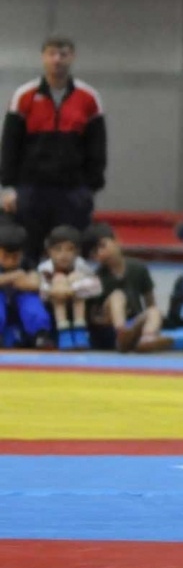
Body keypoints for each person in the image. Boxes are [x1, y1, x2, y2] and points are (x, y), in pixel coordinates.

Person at [1, 36, 106, 263]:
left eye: (63, 54)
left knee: (69, 255)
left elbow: (97, 147)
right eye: (52, 54)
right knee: (27, 252)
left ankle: (68, 297)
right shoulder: (24, 96)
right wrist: (9, 187)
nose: (57, 59)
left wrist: (91, 188)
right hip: (31, 190)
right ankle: (27, 298)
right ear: (43, 58)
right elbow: (10, 145)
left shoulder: (89, 98)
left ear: (72, 57)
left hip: (73, 192)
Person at [81, 222, 171, 353]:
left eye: (102, 246)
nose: (101, 253)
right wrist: (106, 319)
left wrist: (152, 321)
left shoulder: (138, 268)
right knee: (117, 296)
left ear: (116, 241)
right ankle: (121, 333)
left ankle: (148, 338)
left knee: (154, 312)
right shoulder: (96, 279)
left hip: (134, 326)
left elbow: (150, 302)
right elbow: (92, 318)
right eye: (95, 252)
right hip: (109, 330)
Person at [37, 224, 100, 349]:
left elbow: (96, 287)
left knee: (76, 278)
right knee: (59, 279)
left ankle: (80, 331)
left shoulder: (81, 265)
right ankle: (63, 333)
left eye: (69, 249)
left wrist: (72, 287)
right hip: (53, 310)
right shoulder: (45, 268)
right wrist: (58, 288)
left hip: (78, 308)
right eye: (58, 249)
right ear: (49, 251)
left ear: (77, 251)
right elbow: (42, 292)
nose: (63, 254)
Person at [0, 222, 50, 348]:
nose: (10, 261)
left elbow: (35, 283)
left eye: (15, 257)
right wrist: (12, 277)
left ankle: (40, 334)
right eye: (5, 256)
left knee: (29, 299)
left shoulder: (27, 264)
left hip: (19, 314)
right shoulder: (19, 272)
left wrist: (25, 282)